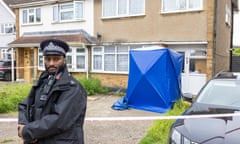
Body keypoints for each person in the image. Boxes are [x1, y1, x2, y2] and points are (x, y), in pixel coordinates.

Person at [17, 38, 87, 144]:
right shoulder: (43, 82)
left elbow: (59, 120)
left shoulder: (72, 88)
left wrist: (28, 131)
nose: (51, 63)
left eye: (56, 59)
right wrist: (23, 124)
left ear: (64, 60)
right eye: (48, 59)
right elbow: (24, 105)